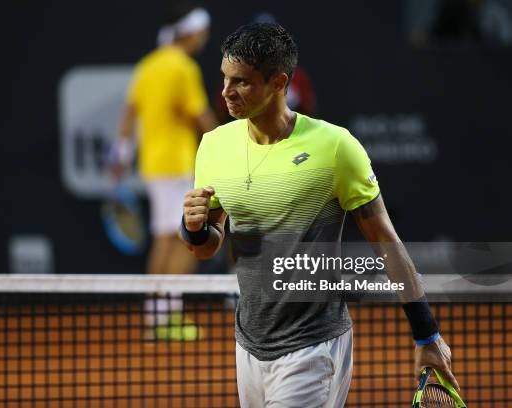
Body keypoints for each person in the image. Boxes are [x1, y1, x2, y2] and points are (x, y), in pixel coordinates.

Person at [179, 23, 459, 406]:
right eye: (224, 79)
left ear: (278, 83)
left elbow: (385, 242)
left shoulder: (335, 147)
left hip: (313, 348)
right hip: (248, 346)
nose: (226, 92)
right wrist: (193, 228)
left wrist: (426, 335)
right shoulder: (213, 145)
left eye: (241, 82)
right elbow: (207, 245)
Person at [114, 3, 217, 339]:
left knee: (164, 240)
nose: (204, 37)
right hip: (176, 166)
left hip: (154, 167)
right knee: (186, 240)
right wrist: (229, 145)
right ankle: (168, 317)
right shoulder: (182, 68)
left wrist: (122, 151)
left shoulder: (149, 65)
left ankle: (156, 317)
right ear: (189, 32)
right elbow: (201, 117)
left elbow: (129, 113)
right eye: (202, 31)